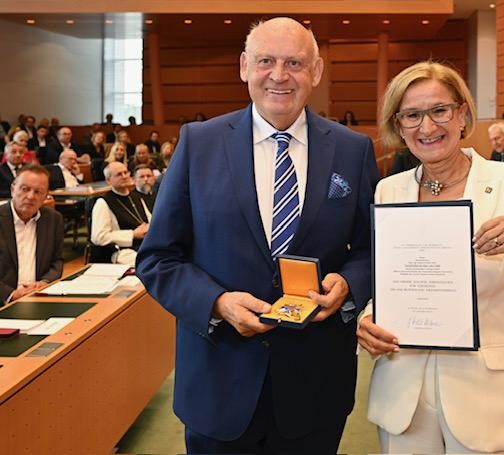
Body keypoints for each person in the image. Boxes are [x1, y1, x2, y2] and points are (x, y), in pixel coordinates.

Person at [135, 17, 378, 455]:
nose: (280, 75)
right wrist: (216, 303)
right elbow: (158, 258)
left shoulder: (352, 149)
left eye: (295, 63)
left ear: (316, 72)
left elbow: (368, 248)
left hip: (315, 384)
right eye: (266, 60)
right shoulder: (197, 143)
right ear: (244, 66)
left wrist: (350, 284)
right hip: (218, 381)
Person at [356, 61, 504, 454]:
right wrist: (369, 319)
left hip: (490, 399)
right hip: (405, 399)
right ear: (398, 126)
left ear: (462, 114)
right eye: (412, 115)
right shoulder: (389, 190)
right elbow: (389, 282)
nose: (427, 126)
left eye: (439, 110)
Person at [0, 165, 63, 304]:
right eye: (25, 189)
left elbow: (57, 261)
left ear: (46, 196)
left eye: (38, 192)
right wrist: (11, 295)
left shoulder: (53, 220)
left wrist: (45, 282)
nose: (30, 196)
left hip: (39, 298)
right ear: (12, 189)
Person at [91, 162, 151, 267]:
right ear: (108, 180)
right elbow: (98, 237)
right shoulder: (103, 202)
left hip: (146, 244)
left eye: (125, 172)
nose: (124, 176)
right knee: (150, 263)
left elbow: (151, 221)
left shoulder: (137, 197)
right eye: (119, 174)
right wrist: (132, 234)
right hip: (122, 251)